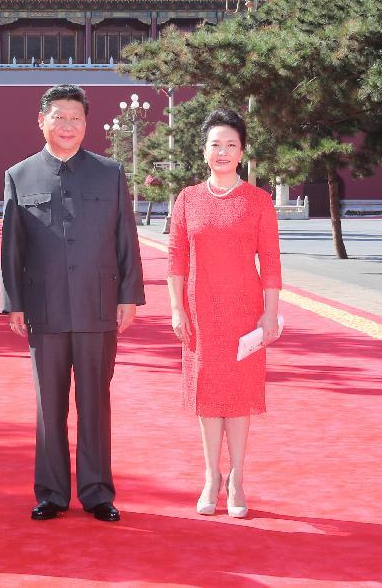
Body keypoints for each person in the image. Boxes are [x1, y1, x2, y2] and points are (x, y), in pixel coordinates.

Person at [0, 84, 145, 523]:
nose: (68, 126)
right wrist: (15, 304)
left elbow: (126, 239)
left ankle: (98, 491)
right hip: (44, 310)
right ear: (41, 120)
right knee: (50, 405)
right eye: (59, 117)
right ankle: (51, 492)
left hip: (98, 305)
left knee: (95, 402)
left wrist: (129, 297)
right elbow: (12, 248)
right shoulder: (20, 175)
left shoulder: (109, 173)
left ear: (87, 124)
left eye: (76, 118)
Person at [166, 108, 282, 518]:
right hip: (200, 312)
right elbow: (177, 258)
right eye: (215, 144)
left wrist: (270, 314)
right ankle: (211, 476)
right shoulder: (188, 199)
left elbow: (270, 261)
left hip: (244, 313)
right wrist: (177, 308)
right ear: (203, 151)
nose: (222, 151)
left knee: (239, 398)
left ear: (242, 152)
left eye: (231, 145)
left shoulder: (258, 201)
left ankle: (238, 479)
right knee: (208, 397)